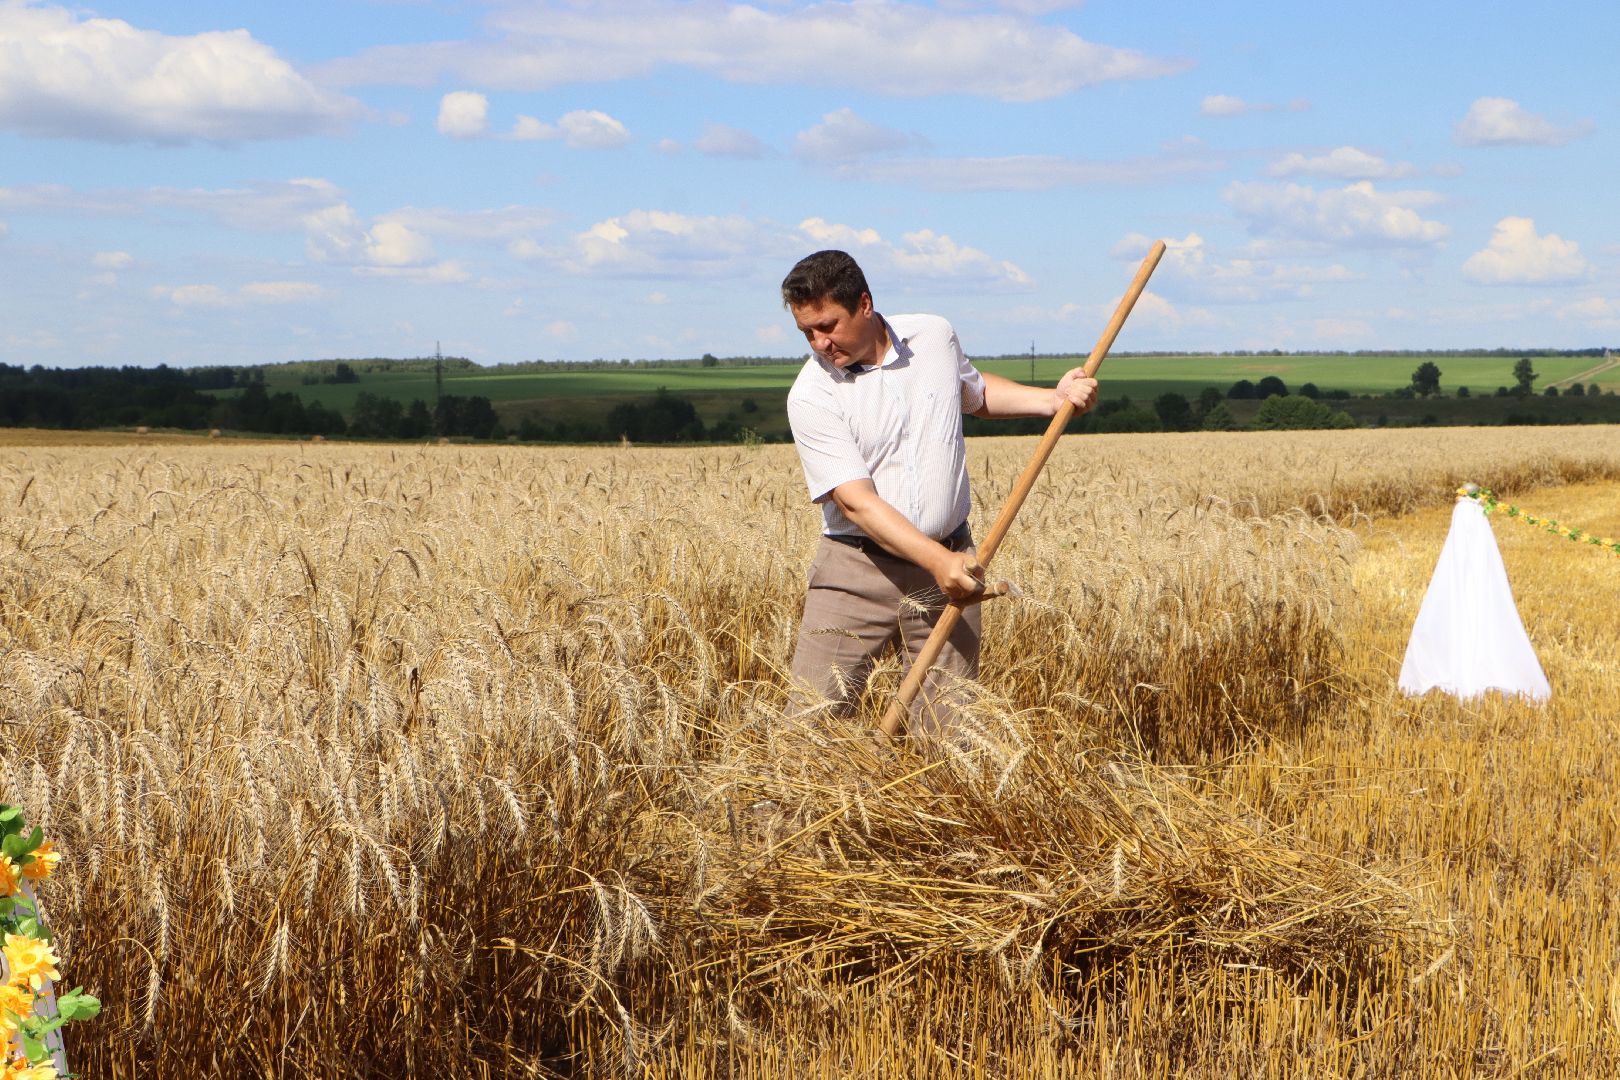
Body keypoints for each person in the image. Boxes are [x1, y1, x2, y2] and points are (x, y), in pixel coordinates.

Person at [781, 249, 1099, 734]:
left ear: (864, 304)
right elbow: (855, 503)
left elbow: (975, 393)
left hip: (953, 560)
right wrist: (938, 562)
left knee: (950, 732)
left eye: (828, 326)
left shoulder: (933, 335)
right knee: (809, 729)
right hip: (856, 571)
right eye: (808, 332)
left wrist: (1052, 400)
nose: (819, 343)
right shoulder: (811, 394)